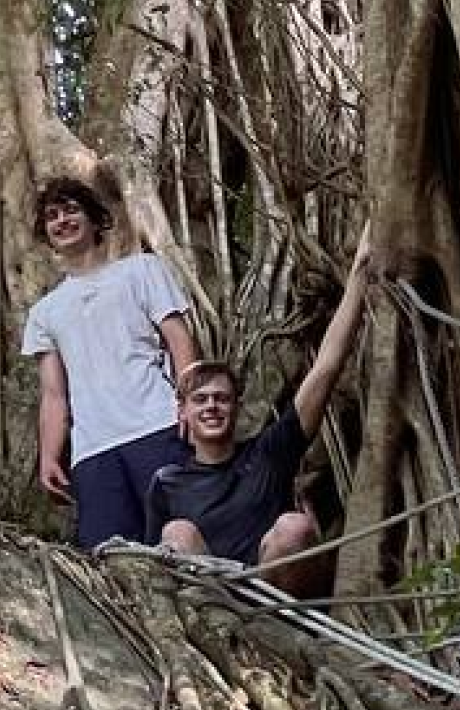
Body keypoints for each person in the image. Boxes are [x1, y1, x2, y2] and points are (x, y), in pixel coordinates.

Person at [146, 236, 373, 594]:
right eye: (201, 400)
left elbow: (326, 369)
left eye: (221, 398)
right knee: (177, 534)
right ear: (183, 413)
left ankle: (271, 627)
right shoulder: (167, 482)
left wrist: (360, 271)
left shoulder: (268, 453)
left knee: (294, 527)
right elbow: (156, 565)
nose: (211, 407)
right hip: (213, 600)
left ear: (237, 406)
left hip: (276, 596)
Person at [21, 176, 197, 548]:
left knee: (181, 541)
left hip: (157, 425)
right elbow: (54, 395)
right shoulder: (44, 312)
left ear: (95, 219)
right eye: (52, 216)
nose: (61, 221)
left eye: (71, 210)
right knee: (111, 561)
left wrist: (188, 403)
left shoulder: (142, 270)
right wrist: (50, 456)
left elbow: (179, 339)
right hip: (93, 451)